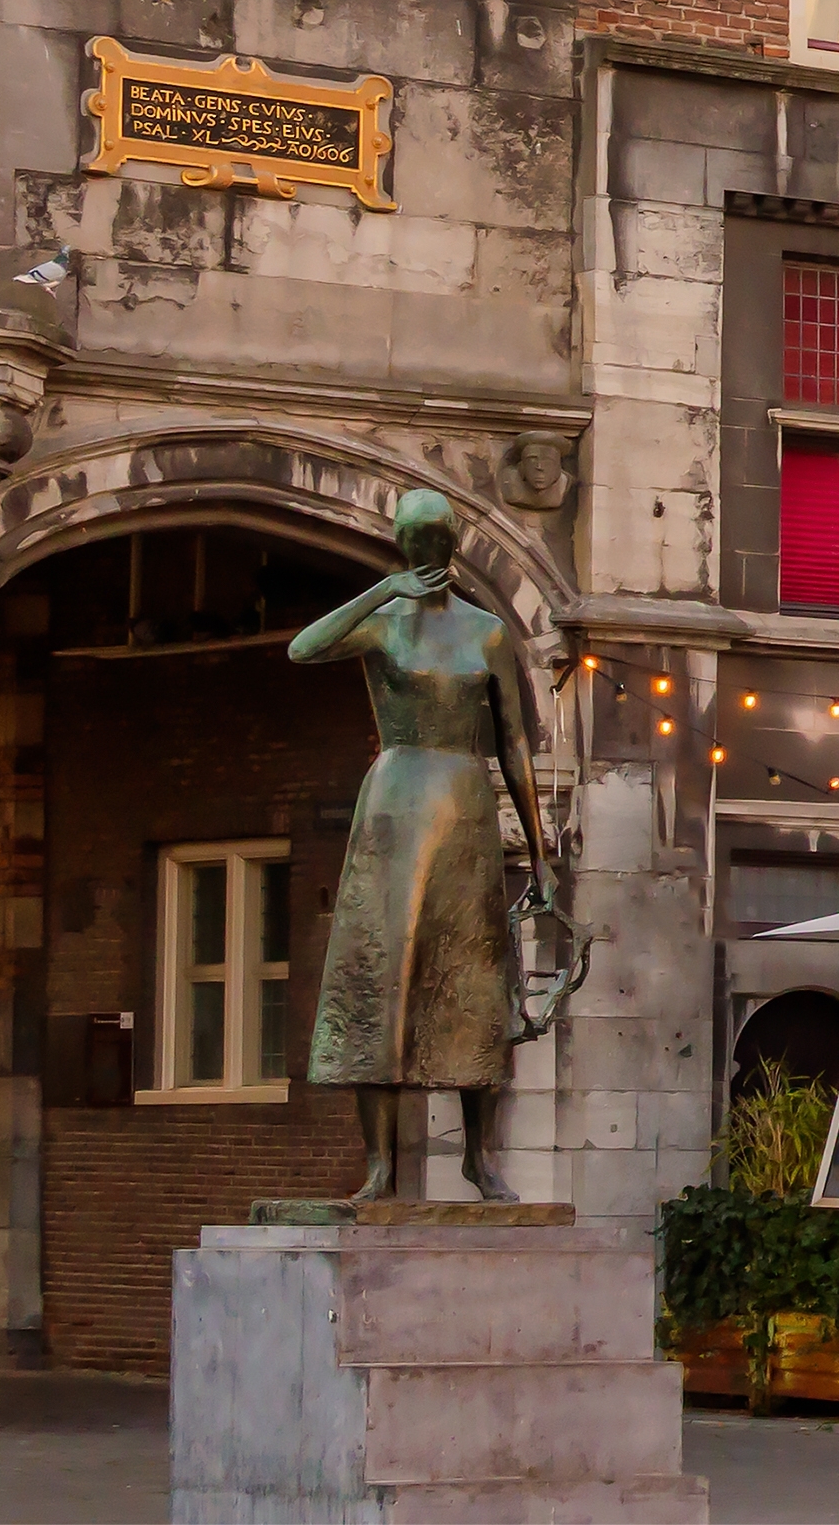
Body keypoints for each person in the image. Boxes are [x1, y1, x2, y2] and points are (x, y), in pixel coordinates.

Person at [288, 490, 556, 1204]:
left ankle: (477, 1156)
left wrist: (538, 851)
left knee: (470, 975)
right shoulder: (381, 626)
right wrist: (381, 591)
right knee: (381, 972)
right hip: (395, 801)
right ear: (401, 547)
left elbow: (514, 743)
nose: (425, 553)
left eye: (435, 539)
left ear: (452, 545)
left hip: (464, 798)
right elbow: (302, 649)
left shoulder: (488, 634)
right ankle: (379, 1165)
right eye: (411, 541)